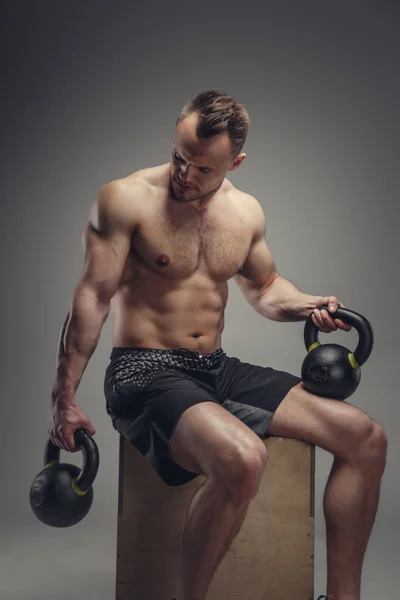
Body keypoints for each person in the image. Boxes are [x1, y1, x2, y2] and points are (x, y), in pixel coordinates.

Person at [48, 90, 387, 600]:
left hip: (214, 369)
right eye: (178, 156)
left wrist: (309, 304)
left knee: (366, 438)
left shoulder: (245, 213)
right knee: (244, 458)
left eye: (202, 167)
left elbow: (267, 289)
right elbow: (91, 300)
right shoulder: (124, 199)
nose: (185, 173)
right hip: (143, 373)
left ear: (236, 162)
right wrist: (64, 398)